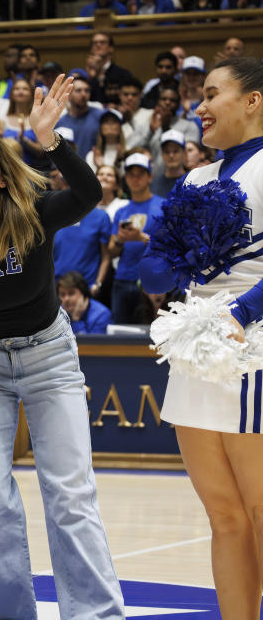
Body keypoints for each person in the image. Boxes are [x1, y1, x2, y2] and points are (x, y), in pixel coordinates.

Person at [0, 76, 125, 620]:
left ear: (2, 175)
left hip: (50, 357)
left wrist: (49, 138)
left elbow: (87, 195)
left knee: (70, 498)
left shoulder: (32, 213)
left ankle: (96, 615)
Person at [136, 56, 263, 617]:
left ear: (253, 100)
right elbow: (152, 276)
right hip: (195, 345)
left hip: (253, 343)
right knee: (224, 514)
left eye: (213, 95)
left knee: (261, 510)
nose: (200, 106)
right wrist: (179, 249)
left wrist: (242, 309)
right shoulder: (194, 179)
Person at [107, 152, 164, 323]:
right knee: (119, 336)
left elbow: (171, 246)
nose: (135, 178)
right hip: (123, 278)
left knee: (150, 335)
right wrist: (120, 240)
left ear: (150, 177)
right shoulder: (121, 211)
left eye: (140, 174)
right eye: (131, 174)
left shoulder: (164, 206)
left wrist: (142, 238)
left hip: (153, 280)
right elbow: (111, 251)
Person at [150, 129, 186, 196]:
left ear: (184, 152)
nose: (171, 155)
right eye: (167, 151)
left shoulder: (192, 179)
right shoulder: (153, 184)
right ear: (162, 154)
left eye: (175, 151)